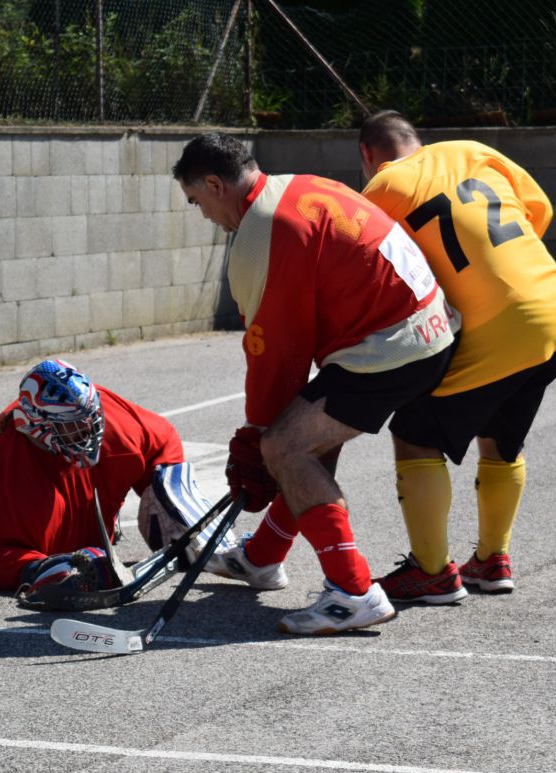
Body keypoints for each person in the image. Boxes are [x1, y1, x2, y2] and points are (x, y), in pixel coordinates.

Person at [172, 132, 459, 635]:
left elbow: (274, 355)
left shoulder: (261, 232)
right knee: (308, 436)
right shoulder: (297, 184)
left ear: (215, 185)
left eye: (197, 201)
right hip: (428, 328)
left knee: (288, 446)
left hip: (392, 345)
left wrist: (257, 438)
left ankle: (353, 593)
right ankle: (262, 558)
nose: (203, 215)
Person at [355, 109, 556, 599]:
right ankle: (492, 560)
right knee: (500, 436)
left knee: (414, 434)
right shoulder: (474, 150)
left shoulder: (378, 190)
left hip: (497, 324)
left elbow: (376, 276)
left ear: (367, 155)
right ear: (417, 138)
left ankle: (432, 571)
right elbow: (539, 212)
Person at [0, 358, 256, 609]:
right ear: (38, 427)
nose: (90, 432)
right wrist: (40, 568)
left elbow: (163, 438)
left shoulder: (112, 422)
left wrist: (170, 496)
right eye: (74, 427)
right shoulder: (11, 459)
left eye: (91, 418)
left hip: (79, 514)